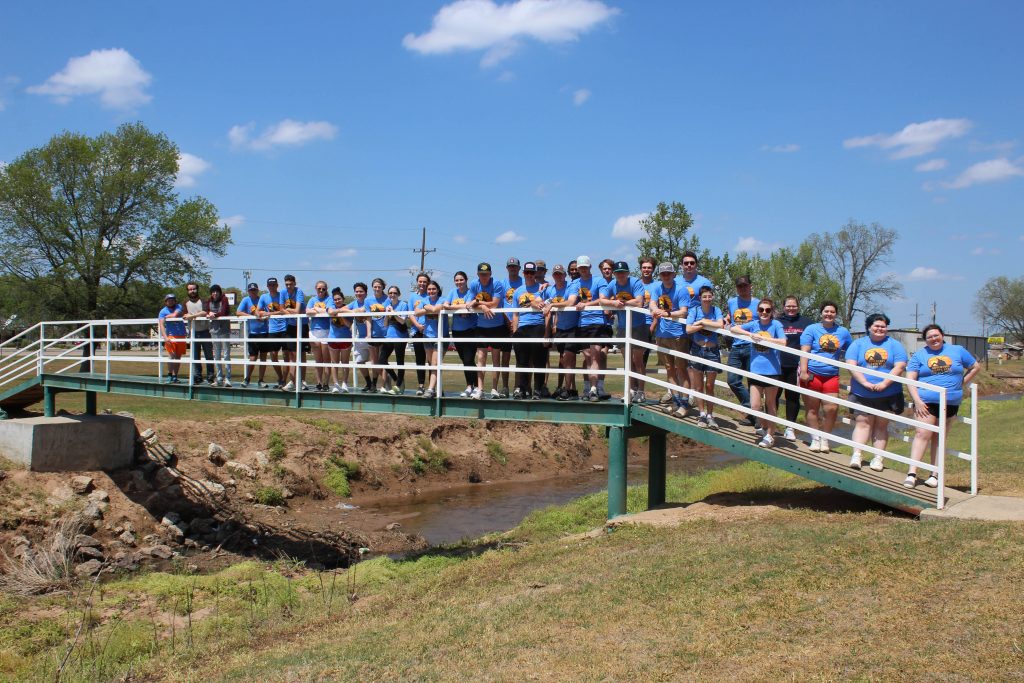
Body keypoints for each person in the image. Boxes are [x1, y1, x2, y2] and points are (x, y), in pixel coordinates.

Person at [904, 324, 980, 489]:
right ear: (925, 340)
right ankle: (912, 473)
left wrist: (962, 383)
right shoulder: (919, 355)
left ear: (942, 335)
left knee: (940, 437)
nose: (933, 339)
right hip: (926, 401)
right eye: (929, 337)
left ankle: (934, 474)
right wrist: (917, 400)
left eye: (936, 335)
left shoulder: (957, 350)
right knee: (922, 433)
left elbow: (975, 366)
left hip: (950, 402)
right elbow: (910, 378)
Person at [846, 313, 908, 471]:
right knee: (862, 424)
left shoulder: (895, 345)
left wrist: (884, 383)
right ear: (869, 327)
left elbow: (900, 366)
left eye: (883, 326)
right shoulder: (858, 344)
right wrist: (865, 382)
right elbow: (851, 365)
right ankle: (857, 455)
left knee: (881, 426)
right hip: (862, 393)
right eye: (876, 326)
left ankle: (878, 458)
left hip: (887, 393)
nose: (880, 329)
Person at [731, 298, 786, 448]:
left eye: (767, 310)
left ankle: (770, 435)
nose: (764, 313)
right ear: (758, 311)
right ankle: (764, 427)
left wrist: (764, 339)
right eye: (761, 310)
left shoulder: (776, 325)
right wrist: (750, 335)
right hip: (755, 370)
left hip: (772, 370)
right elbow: (733, 329)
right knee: (755, 406)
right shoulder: (754, 324)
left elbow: (783, 342)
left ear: (771, 312)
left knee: (770, 404)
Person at [799, 301, 853, 453]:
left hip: (831, 375)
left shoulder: (843, 332)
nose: (829, 314)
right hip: (812, 373)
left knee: (832, 408)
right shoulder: (812, 329)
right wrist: (803, 371)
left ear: (836, 314)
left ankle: (825, 438)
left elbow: (851, 351)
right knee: (812, 408)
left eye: (832, 312)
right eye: (826, 311)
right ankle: (815, 439)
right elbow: (805, 350)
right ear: (821, 313)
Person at [600, 260, 647, 401]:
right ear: (614, 274)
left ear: (628, 273)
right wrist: (613, 302)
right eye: (618, 273)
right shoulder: (612, 284)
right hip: (622, 327)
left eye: (623, 272)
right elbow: (602, 300)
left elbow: (639, 302)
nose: (620, 275)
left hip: (638, 325)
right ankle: (630, 390)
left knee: (638, 361)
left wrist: (622, 303)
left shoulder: (635, 283)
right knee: (627, 361)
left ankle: (641, 391)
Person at [674, 251, 714, 409]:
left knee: (694, 362)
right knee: (680, 361)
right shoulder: (676, 280)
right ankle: (678, 392)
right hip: (679, 325)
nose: (689, 265)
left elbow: (709, 301)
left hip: (698, 326)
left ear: (696, 264)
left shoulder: (704, 282)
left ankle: (692, 394)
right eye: (686, 263)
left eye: (692, 263)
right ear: (682, 265)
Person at [565, 256, 609, 402]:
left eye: (585, 267)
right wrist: (550, 304)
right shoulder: (575, 283)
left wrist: (587, 304)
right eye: (580, 267)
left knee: (596, 355)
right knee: (588, 357)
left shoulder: (599, 281)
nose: (583, 269)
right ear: (577, 269)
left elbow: (603, 299)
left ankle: (594, 389)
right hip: (582, 323)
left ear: (590, 267)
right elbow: (571, 301)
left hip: (597, 321)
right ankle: (589, 388)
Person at [650, 262, 689, 413]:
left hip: (678, 335)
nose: (666, 276)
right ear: (659, 275)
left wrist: (667, 313)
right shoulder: (657, 288)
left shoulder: (681, 289)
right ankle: (676, 401)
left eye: (668, 273)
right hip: (661, 334)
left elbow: (684, 311)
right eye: (663, 274)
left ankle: (684, 404)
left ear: (674, 274)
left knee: (682, 370)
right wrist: (655, 310)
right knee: (669, 369)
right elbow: (652, 304)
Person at [685, 285, 725, 428]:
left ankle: (710, 415)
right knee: (698, 385)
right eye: (704, 297)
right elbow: (688, 329)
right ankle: (701, 415)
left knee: (709, 386)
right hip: (697, 349)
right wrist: (703, 325)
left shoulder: (716, 310)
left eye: (709, 296)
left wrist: (702, 322)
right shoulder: (694, 310)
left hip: (712, 351)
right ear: (700, 298)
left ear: (712, 297)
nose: (707, 299)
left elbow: (720, 324)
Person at [466, 262, 506, 399]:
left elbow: (494, 303)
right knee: (481, 358)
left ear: (490, 274)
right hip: (481, 326)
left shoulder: (497, 284)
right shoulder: (474, 284)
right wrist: (481, 306)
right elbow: (468, 304)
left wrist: (478, 303)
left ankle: (494, 389)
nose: (484, 277)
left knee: (496, 359)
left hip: (497, 325)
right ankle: (480, 389)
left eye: (486, 274)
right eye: (482, 274)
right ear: (477, 274)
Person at [776, 296, 812, 440]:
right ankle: (770, 423)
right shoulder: (777, 322)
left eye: (794, 306)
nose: (791, 309)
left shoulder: (806, 323)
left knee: (792, 397)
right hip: (777, 364)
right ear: (783, 307)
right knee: (773, 396)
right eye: (788, 306)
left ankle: (790, 427)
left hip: (796, 365)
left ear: (798, 306)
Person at [726, 275, 760, 423]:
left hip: (752, 346)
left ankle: (755, 416)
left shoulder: (758, 303)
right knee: (732, 380)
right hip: (735, 345)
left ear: (750, 286)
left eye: (745, 286)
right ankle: (752, 409)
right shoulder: (732, 302)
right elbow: (730, 317)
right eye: (740, 286)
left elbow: (762, 323)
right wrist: (725, 321)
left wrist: (739, 328)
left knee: (752, 382)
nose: (743, 288)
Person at [510, 262, 547, 399]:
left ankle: (537, 389)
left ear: (536, 274)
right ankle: (522, 388)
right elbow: (515, 314)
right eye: (527, 273)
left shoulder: (542, 288)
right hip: (523, 327)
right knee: (522, 361)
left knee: (539, 360)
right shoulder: (518, 291)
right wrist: (515, 332)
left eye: (532, 273)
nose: (530, 275)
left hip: (538, 325)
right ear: (523, 273)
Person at [543, 264, 579, 400]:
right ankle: (570, 390)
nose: (558, 276)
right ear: (553, 276)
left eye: (560, 274)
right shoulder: (550, 289)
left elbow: (570, 302)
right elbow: (540, 300)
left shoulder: (572, 286)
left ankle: (567, 389)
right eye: (556, 274)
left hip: (573, 327)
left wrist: (552, 304)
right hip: (560, 329)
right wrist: (539, 302)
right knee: (564, 360)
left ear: (565, 275)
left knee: (568, 358)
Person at [443, 271, 479, 398]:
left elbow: (468, 306)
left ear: (466, 279)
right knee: (464, 360)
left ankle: (476, 386)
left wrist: (454, 307)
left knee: (469, 359)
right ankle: (469, 386)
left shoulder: (471, 292)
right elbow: (445, 305)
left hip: (470, 330)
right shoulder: (452, 292)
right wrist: (459, 308)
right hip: (457, 330)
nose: (459, 282)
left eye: (461, 280)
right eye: (457, 280)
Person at [415, 280, 445, 398]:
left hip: (440, 336)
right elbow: (416, 313)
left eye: (433, 289)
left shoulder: (443, 299)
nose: (431, 291)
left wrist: (427, 308)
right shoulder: (424, 300)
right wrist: (427, 307)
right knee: (431, 364)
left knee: (434, 364)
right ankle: (438, 388)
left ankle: (431, 389)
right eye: (429, 289)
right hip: (427, 335)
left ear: (438, 290)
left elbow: (436, 309)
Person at [182, 282, 214, 384]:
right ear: (187, 291)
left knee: (209, 355)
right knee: (195, 356)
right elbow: (184, 315)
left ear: (197, 289)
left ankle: (210, 376)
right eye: (190, 289)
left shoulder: (203, 300)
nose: (192, 291)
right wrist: (191, 316)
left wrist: (192, 316)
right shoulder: (186, 302)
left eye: (194, 289)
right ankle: (197, 376)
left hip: (205, 331)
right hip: (193, 332)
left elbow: (205, 312)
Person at [236, 283, 268, 388]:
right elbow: (238, 312)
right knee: (253, 357)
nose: (253, 292)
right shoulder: (246, 300)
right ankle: (247, 378)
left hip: (264, 332)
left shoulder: (262, 299)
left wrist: (262, 315)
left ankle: (261, 380)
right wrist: (251, 316)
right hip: (253, 333)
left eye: (254, 290)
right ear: (248, 291)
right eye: (251, 290)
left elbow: (268, 312)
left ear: (257, 290)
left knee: (263, 357)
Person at [380, 284, 409, 395]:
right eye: (390, 293)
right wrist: (387, 314)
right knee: (381, 360)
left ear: (399, 294)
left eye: (395, 293)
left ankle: (397, 386)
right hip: (389, 336)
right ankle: (397, 379)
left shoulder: (403, 305)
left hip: (400, 336)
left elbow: (402, 321)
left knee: (399, 361)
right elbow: (385, 324)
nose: (392, 295)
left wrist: (393, 312)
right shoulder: (388, 305)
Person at [501, 257, 524, 397]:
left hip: (521, 324)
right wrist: (507, 321)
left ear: (519, 268)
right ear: (507, 268)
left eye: (515, 266)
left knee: (520, 358)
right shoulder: (502, 283)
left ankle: (517, 387)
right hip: (504, 323)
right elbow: (499, 304)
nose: (513, 269)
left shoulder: (524, 282)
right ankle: (504, 387)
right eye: (510, 266)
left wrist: (516, 322)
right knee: (505, 357)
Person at [281, 274, 308, 391]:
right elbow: (281, 309)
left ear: (295, 283)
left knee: (301, 355)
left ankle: (302, 381)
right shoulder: (283, 292)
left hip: (302, 325)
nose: (288, 286)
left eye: (290, 284)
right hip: (291, 326)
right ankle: (292, 381)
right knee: (292, 355)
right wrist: (289, 312)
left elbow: (297, 311)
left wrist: (287, 310)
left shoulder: (299, 292)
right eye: (286, 284)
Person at [305, 280, 333, 391]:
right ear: (316, 289)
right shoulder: (312, 299)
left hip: (326, 330)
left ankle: (326, 383)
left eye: (323, 289)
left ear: (326, 289)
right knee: (318, 360)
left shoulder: (329, 299)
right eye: (319, 289)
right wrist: (320, 310)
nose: (321, 291)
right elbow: (307, 311)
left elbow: (328, 312)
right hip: (314, 331)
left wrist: (315, 309)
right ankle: (319, 383)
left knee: (326, 359)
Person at [260, 277, 287, 388]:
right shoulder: (264, 297)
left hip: (285, 328)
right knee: (273, 355)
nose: (272, 287)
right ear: (267, 286)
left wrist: (270, 314)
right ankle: (281, 378)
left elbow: (283, 311)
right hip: (272, 329)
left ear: (277, 285)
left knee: (286, 356)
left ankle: (284, 380)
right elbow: (258, 311)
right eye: (270, 285)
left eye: (274, 285)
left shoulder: (282, 296)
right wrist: (264, 313)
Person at [407, 273, 431, 395]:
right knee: (420, 359)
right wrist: (417, 325)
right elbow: (411, 313)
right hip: (417, 332)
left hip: (430, 332)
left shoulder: (431, 294)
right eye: (420, 281)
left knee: (432, 361)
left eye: (424, 282)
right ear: (417, 282)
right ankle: (421, 385)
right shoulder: (412, 297)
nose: (422, 284)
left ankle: (433, 387)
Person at [347, 282, 373, 392]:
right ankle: (369, 383)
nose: (359, 293)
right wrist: (355, 311)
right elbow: (342, 309)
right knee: (359, 362)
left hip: (372, 336)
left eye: (361, 291)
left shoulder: (370, 302)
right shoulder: (353, 304)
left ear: (366, 293)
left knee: (375, 363)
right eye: (357, 291)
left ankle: (383, 385)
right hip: (361, 337)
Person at [327, 287, 353, 393]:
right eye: (335, 299)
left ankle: (344, 383)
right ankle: (336, 384)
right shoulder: (331, 307)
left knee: (345, 362)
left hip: (345, 338)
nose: (337, 301)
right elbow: (330, 312)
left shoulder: (347, 309)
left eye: (339, 299)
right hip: (333, 339)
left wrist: (341, 316)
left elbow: (350, 325)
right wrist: (337, 312)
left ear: (343, 299)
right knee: (334, 363)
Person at [207, 284, 233, 387]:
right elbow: (206, 310)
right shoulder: (209, 301)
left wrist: (214, 315)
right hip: (214, 331)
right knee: (216, 355)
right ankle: (219, 378)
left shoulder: (224, 299)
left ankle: (228, 378)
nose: (215, 293)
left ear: (220, 292)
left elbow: (224, 312)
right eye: (213, 291)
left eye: (217, 291)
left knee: (226, 354)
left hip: (224, 330)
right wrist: (208, 313)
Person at [368, 278, 390, 392]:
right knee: (374, 361)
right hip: (373, 334)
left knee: (383, 361)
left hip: (385, 334)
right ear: (372, 287)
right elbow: (368, 318)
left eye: (379, 287)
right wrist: (368, 334)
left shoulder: (387, 299)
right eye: (375, 286)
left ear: (383, 287)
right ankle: (374, 383)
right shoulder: (369, 300)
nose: (377, 289)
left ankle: (383, 386)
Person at [158, 293, 186, 383]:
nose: (171, 301)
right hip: (170, 335)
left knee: (178, 357)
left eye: (172, 300)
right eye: (169, 300)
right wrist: (165, 337)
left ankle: (175, 376)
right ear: (165, 302)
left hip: (181, 335)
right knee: (171, 356)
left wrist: (166, 317)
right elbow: (161, 325)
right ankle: (169, 375)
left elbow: (174, 315)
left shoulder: (179, 306)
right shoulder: (162, 311)